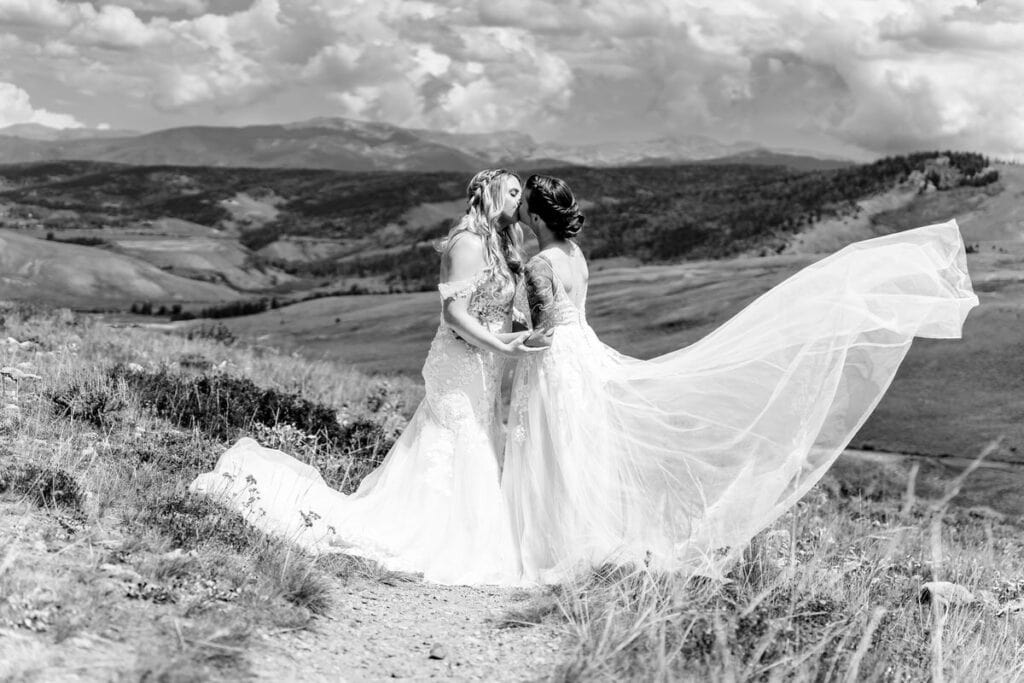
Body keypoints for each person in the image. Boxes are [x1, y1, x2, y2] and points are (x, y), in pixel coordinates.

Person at [502, 174, 978, 584]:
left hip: (556, 362)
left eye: (524, 204)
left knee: (552, 446)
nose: (519, 209)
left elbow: (544, 330)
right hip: (583, 354)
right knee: (576, 449)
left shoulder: (542, 264)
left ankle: (548, 546)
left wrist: (503, 333)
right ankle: (572, 539)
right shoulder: (575, 254)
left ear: (539, 217)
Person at [191, 169, 540, 585]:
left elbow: (492, 308)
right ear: (492, 195)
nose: (521, 200)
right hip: (460, 363)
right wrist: (501, 345)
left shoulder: (498, 244)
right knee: (457, 439)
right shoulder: (466, 242)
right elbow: (454, 314)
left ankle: (472, 531)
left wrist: (515, 331)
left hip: (485, 363)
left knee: (480, 437)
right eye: (514, 191)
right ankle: (438, 533)